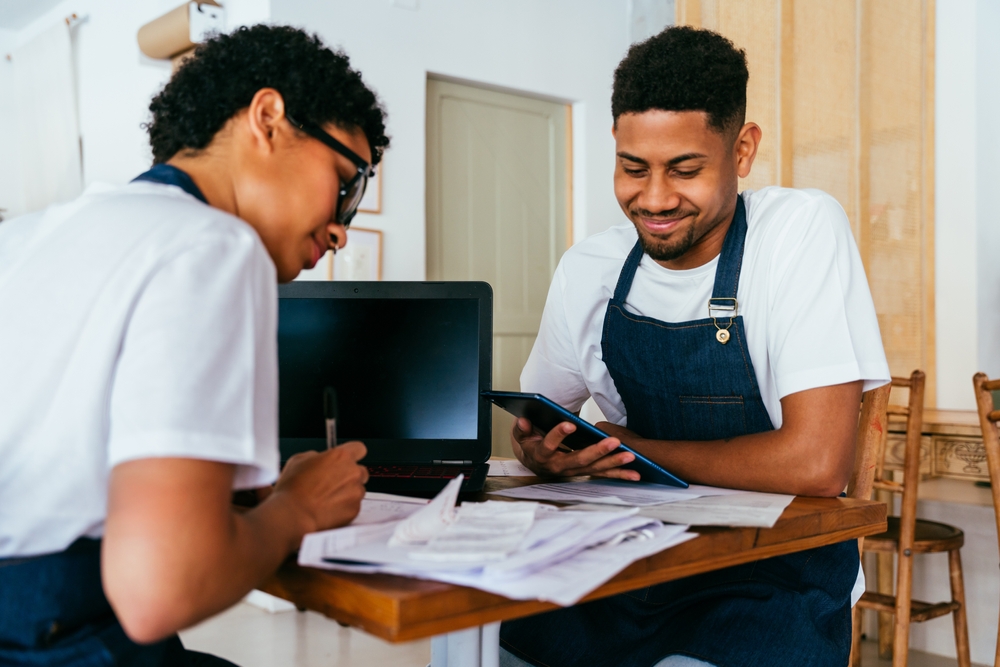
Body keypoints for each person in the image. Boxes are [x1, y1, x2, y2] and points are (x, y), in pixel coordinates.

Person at [499, 26, 890, 667]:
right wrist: (548, 452)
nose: (653, 198)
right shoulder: (588, 267)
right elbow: (538, 419)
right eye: (633, 168)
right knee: (500, 645)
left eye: (684, 169)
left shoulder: (797, 232)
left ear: (742, 150)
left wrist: (627, 447)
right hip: (627, 562)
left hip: (771, 579)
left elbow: (814, 464)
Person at [0, 26, 389, 666]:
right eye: (348, 183)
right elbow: (161, 588)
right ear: (267, 119)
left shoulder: (48, 232)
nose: (343, 230)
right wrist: (297, 508)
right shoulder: (213, 245)